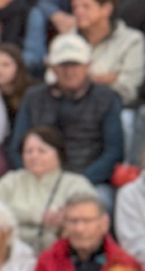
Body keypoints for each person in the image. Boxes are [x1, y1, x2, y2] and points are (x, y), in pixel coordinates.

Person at [8, 36, 126, 186]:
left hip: (87, 179)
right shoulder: (33, 97)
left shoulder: (107, 98)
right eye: (63, 65)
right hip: (36, 177)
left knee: (102, 201)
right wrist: (33, 175)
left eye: (75, 64)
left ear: (88, 65)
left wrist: (81, 181)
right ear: (51, 66)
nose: (69, 71)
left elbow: (114, 152)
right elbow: (16, 147)